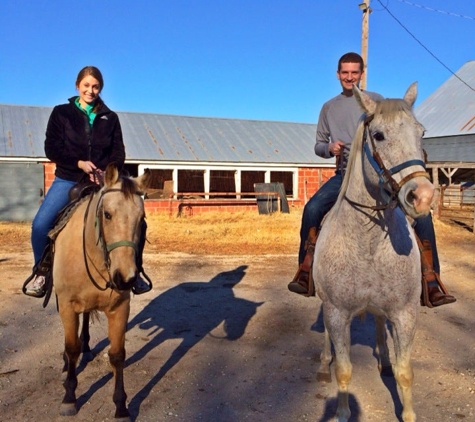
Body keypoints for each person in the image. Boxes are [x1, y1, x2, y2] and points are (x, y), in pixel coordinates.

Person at [287, 52, 456, 307]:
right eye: (345, 72)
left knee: (422, 213)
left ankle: (431, 280)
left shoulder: (376, 100)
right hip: (345, 173)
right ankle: (306, 270)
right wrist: (329, 148)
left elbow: (394, 129)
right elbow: (318, 145)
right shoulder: (328, 108)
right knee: (312, 209)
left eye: (354, 72)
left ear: (362, 74)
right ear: (337, 74)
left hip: (379, 173)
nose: (349, 77)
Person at [24, 66, 151, 297]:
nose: (90, 91)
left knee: (138, 222)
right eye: (86, 86)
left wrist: (108, 172)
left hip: (105, 181)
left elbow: (118, 152)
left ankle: (136, 272)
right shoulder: (61, 113)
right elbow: (52, 148)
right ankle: (41, 272)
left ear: (100, 88)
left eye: (95, 86)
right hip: (69, 178)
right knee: (40, 224)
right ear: (77, 85)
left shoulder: (110, 118)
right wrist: (78, 163)